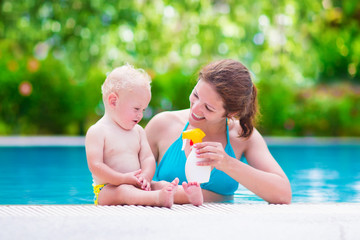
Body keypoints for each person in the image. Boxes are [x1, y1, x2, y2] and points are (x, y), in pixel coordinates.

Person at [146, 59, 292, 204]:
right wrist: (213, 197)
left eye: (208, 107)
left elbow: (283, 194)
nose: (195, 109)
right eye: (196, 95)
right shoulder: (163, 125)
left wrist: (227, 163)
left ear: (231, 113)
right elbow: (129, 183)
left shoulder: (242, 136)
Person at [85, 64, 179, 207]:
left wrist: (145, 177)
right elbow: (95, 165)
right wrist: (122, 178)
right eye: (136, 109)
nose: (140, 115)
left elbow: (147, 157)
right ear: (113, 101)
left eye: (143, 110)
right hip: (108, 190)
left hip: (136, 184)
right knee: (124, 190)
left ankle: (188, 194)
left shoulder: (138, 131)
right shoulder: (97, 131)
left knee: (160, 184)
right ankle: (158, 199)